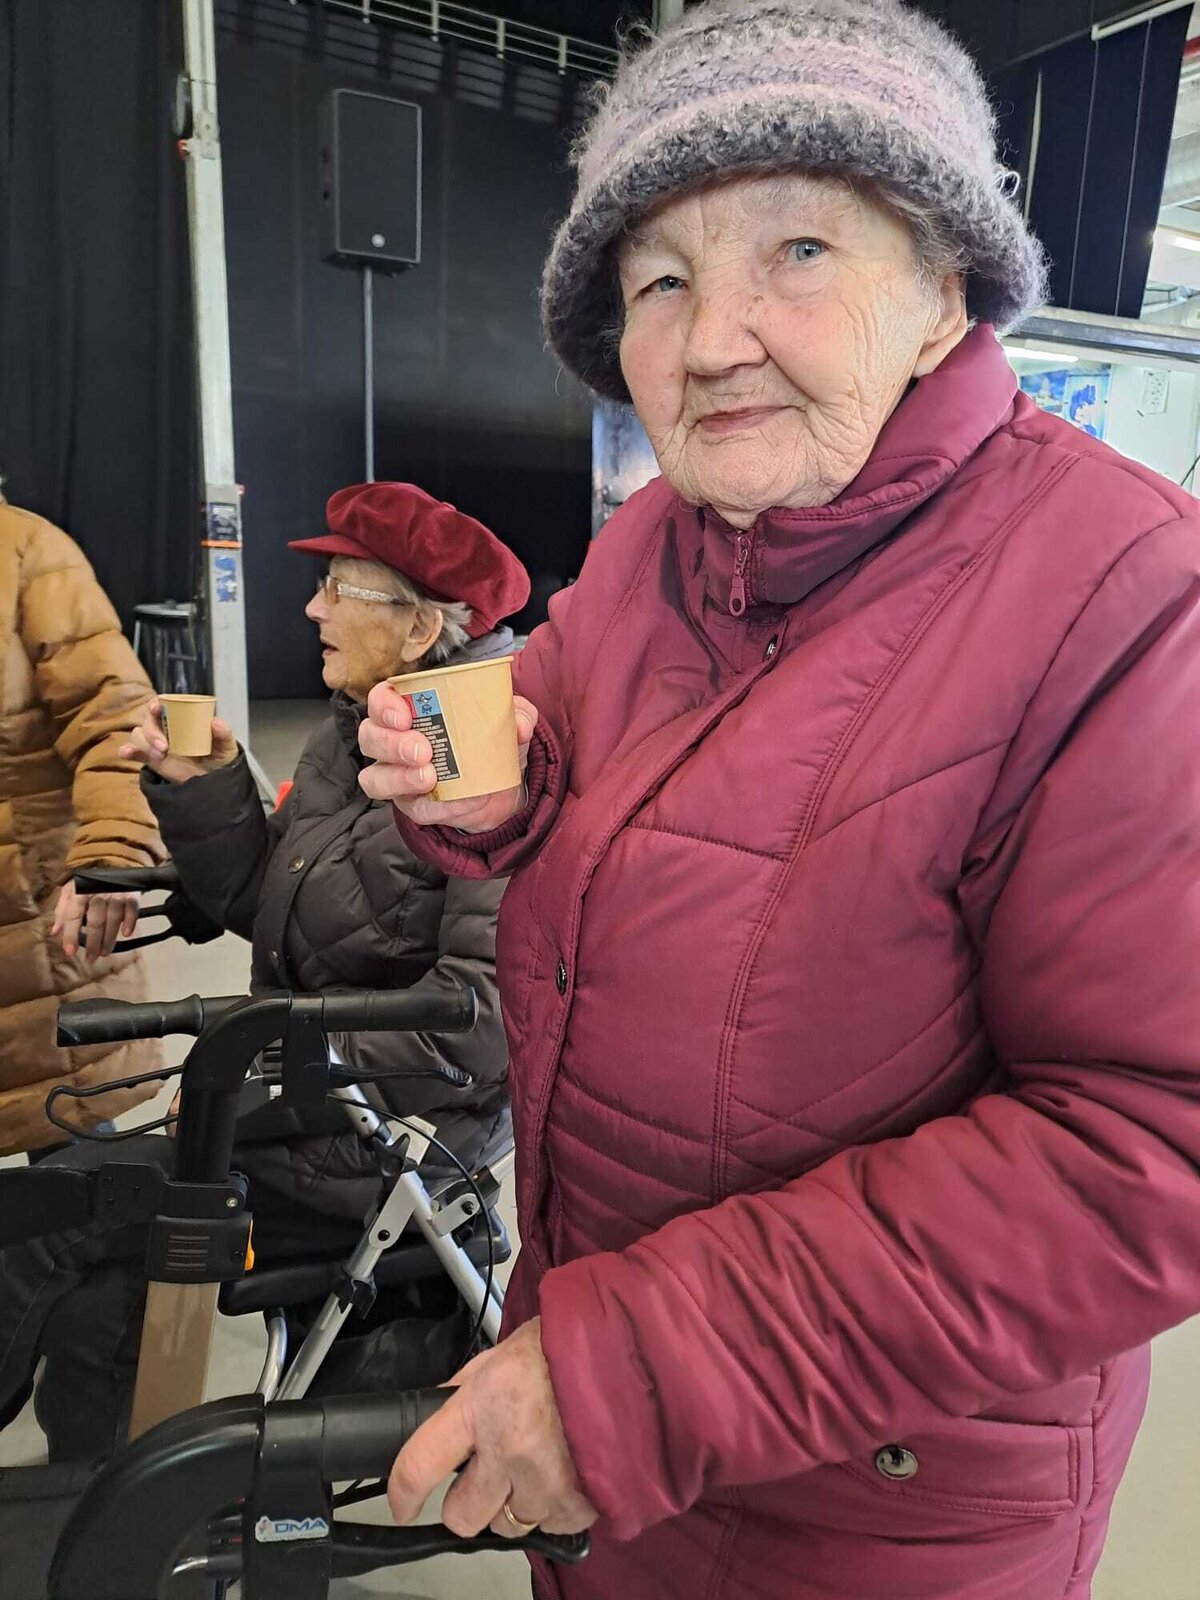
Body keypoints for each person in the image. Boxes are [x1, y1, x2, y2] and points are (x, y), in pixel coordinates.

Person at [357, 4, 1200, 1598]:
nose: (713, 341)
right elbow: (563, 762)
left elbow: (1149, 1144)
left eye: (799, 249)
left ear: (944, 288)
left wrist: (637, 1375)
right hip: (599, 1440)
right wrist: (479, 797)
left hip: (882, 1511)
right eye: (660, 281)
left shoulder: (1131, 593)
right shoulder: (651, 546)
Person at [0, 480, 530, 1462]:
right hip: (298, 1109)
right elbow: (262, 899)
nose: (312, 609)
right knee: (91, 1271)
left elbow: (481, 1026)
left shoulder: (483, 765)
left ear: (420, 628)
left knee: (45, 1218)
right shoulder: (356, 730)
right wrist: (207, 783)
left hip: (373, 1146)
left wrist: (258, 1069)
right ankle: (100, 1499)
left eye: (338, 589)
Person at [0, 490, 164, 1157]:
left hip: (30, 919)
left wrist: (111, 855)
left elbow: (115, 723)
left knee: (72, 1163)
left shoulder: (27, 552)